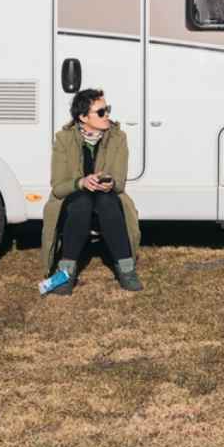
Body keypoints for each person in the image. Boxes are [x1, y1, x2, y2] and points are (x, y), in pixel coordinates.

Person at [40, 88, 143, 295]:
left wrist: (110, 182)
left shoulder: (118, 137)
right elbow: (59, 186)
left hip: (107, 195)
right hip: (75, 195)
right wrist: (81, 182)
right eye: (101, 112)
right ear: (83, 117)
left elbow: (120, 182)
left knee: (108, 202)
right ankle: (66, 275)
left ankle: (126, 270)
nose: (107, 116)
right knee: (81, 203)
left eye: (108, 110)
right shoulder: (63, 139)